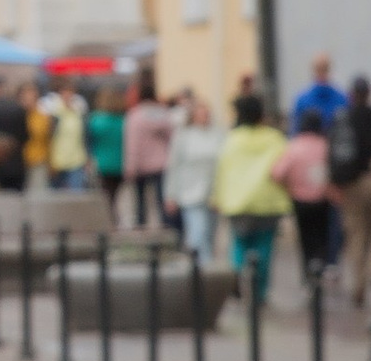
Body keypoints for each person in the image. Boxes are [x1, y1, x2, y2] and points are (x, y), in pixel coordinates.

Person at [212, 87, 291, 302]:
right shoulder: (274, 138)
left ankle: (237, 274)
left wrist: (218, 197)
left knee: (239, 243)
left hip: (238, 201)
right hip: (267, 202)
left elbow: (222, 171)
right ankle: (260, 290)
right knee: (264, 247)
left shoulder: (232, 140)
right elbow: (284, 170)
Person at [331, 71, 371, 306]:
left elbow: (333, 151)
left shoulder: (343, 117)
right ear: (369, 94)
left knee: (356, 234)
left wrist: (335, 181)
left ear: (352, 95)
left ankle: (359, 282)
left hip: (352, 183)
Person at [281, 106, 335, 283]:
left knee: (305, 240)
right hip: (322, 199)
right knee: (321, 238)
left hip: (300, 200)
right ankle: (320, 269)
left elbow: (277, 172)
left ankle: (307, 275)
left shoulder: (295, 146)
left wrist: (289, 187)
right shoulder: (325, 145)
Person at [168, 91, 221, 264]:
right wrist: (171, 194)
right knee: (198, 233)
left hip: (213, 193)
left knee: (209, 235)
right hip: (190, 191)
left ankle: (206, 267)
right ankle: (202, 272)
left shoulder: (218, 135)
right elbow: (174, 165)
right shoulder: (183, 136)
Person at [123, 82, 174, 230]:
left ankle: (141, 231)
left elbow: (132, 143)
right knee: (161, 202)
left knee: (140, 204)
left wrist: (130, 166)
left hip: (141, 165)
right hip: (161, 164)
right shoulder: (164, 114)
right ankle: (166, 230)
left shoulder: (135, 115)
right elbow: (171, 138)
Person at [87, 85, 127, 207]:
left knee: (105, 196)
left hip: (102, 164)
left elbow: (89, 142)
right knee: (115, 196)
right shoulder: (123, 121)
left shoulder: (96, 121)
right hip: (120, 164)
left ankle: (108, 218)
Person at [47, 83, 89, 190]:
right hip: (57, 161)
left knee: (77, 194)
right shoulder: (54, 114)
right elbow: (49, 138)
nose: (67, 96)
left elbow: (84, 137)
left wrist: (87, 157)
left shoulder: (79, 114)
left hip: (77, 160)